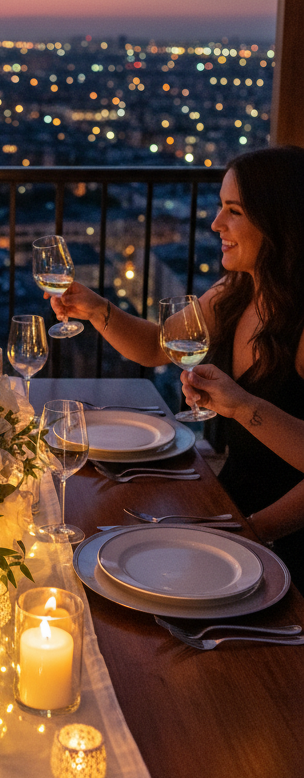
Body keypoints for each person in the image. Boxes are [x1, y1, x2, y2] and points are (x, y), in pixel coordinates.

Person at [49, 145, 304, 575]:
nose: (215, 222)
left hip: (282, 541)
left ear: (278, 222)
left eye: (234, 211)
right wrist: (96, 309)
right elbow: (155, 346)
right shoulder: (235, 292)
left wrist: (252, 532)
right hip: (230, 508)